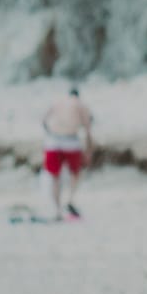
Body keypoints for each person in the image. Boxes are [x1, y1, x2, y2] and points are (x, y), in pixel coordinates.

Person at [40, 86, 94, 220]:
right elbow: (88, 130)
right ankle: (70, 200)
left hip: (53, 141)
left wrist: (51, 134)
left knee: (55, 177)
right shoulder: (80, 105)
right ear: (77, 95)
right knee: (75, 173)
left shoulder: (57, 101)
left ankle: (57, 210)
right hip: (71, 141)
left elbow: (43, 121)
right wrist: (88, 151)